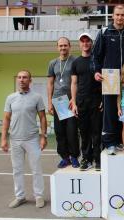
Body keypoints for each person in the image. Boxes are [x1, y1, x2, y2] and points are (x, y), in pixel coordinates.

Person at [93, 5, 124, 155]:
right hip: (109, 79)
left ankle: (123, 142)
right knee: (111, 111)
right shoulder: (104, 32)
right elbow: (96, 56)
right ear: (112, 16)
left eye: (122, 15)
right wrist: (96, 72)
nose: (120, 17)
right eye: (117, 15)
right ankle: (110, 143)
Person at [1, 70, 46, 208]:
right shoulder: (10, 98)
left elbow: (43, 117)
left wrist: (43, 136)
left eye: (25, 77)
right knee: (17, 170)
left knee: (36, 169)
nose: (21, 80)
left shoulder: (37, 97)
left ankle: (39, 196)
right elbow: (6, 118)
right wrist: (4, 138)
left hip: (32, 139)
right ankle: (20, 197)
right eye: (19, 77)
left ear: (30, 80)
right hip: (15, 140)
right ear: (17, 80)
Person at [70, 33, 102, 171]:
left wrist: (103, 99)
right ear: (79, 44)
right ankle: (86, 159)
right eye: (82, 41)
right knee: (84, 132)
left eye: (87, 41)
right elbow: (74, 83)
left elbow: (104, 81)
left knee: (96, 132)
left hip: (96, 101)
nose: (85, 43)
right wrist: (74, 103)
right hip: (81, 102)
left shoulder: (98, 61)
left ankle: (98, 160)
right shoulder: (76, 62)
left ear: (91, 43)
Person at [47, 37, 80, 168]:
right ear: (57, 47)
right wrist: (49, 102)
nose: (63, 48)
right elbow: (50, 84)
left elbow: (77, 81)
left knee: (72, 131)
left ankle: (74, 157)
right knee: (60, 132)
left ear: (70, 46)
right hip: (58, 102)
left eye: (65, 45)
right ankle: (65, 157)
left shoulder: (75, 61)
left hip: (71, 102)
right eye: (60, 46)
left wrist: (75, 99)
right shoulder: (52, 63)